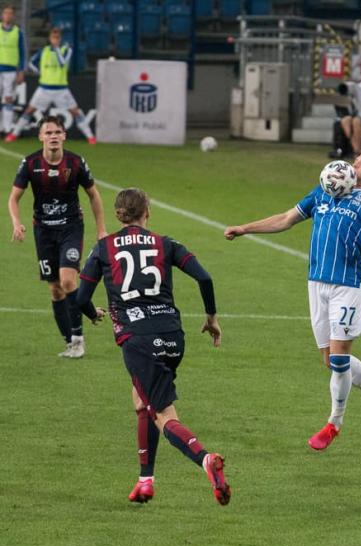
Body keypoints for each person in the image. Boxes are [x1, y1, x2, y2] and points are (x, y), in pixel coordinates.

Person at [223, 150, 361, 451]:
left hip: (349, 286)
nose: (357, 163)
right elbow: (286, 219)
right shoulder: (324, 192)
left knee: (340, 359)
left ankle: (334, 423)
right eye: (357, 158)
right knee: (331, 361)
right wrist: (245, 228)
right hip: (316, 283)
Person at [75, 187, 231, 505]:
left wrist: (93, 314)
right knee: (141, 401)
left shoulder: (104, 247)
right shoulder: (166, 243)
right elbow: (205, 278)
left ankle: (205, 459)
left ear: (119, 214)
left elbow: (80, 298)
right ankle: (145, 481)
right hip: (172, 336)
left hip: (138, 340)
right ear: (148, 211)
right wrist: (211, 318)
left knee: (161, 413)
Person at [7, 115, 106, 358]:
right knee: (55, 290)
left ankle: (79, 340)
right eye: (48, 132)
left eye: (57, 132)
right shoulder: (30, 163)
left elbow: (93, 195)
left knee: (68, 281)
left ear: (64, 135)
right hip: (43, 231)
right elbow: (13, 198)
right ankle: (70, 340)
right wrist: (17, 223)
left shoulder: (75, 162)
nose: (53, 136)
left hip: (71, 227)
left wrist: (101, 229)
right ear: (41, 136)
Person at [5, 27, 96, 144]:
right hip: (44, 88)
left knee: (75, 111)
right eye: (53, 37)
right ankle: (14, 134)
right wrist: (40, 72)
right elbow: (31, 63)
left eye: (57, 37)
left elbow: (62, 63)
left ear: (60, 38)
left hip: (61, 89)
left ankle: (90, 137)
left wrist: (56, 48)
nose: (55, 39)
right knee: (29, 110)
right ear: (50, 38)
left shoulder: (66, 50)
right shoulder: (44, 51)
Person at [0, 5, 25, 136]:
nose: (8, 16)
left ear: (13, 16)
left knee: (8, 98)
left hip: (10, 70)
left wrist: (21, 71)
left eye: (10, 13)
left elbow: (22, 52)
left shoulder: (17, 32)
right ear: (2, 15)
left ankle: (7, 128)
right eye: (6, 13)